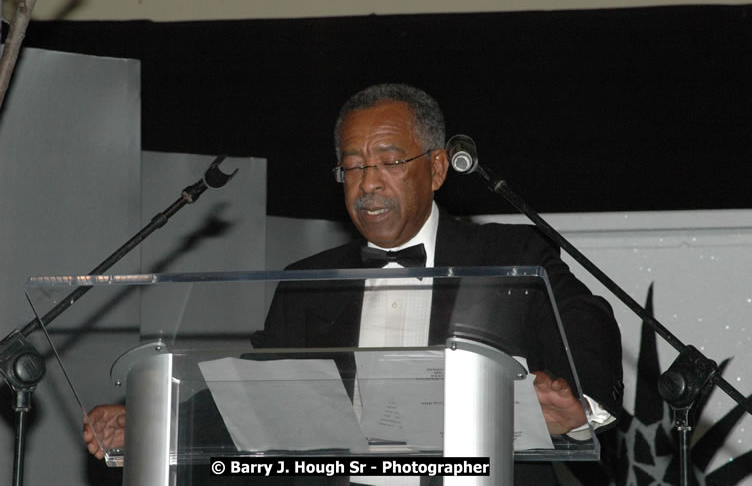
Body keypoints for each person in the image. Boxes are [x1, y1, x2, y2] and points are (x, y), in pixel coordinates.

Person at [84, 83, 623, 484]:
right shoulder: (309, 283)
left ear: (436, 169)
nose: (368, 184)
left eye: (389, 162)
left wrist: (583, 407)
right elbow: (252, 396)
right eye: (352, 166)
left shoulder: (509, 257)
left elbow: (585, 320)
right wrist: (153, 420)